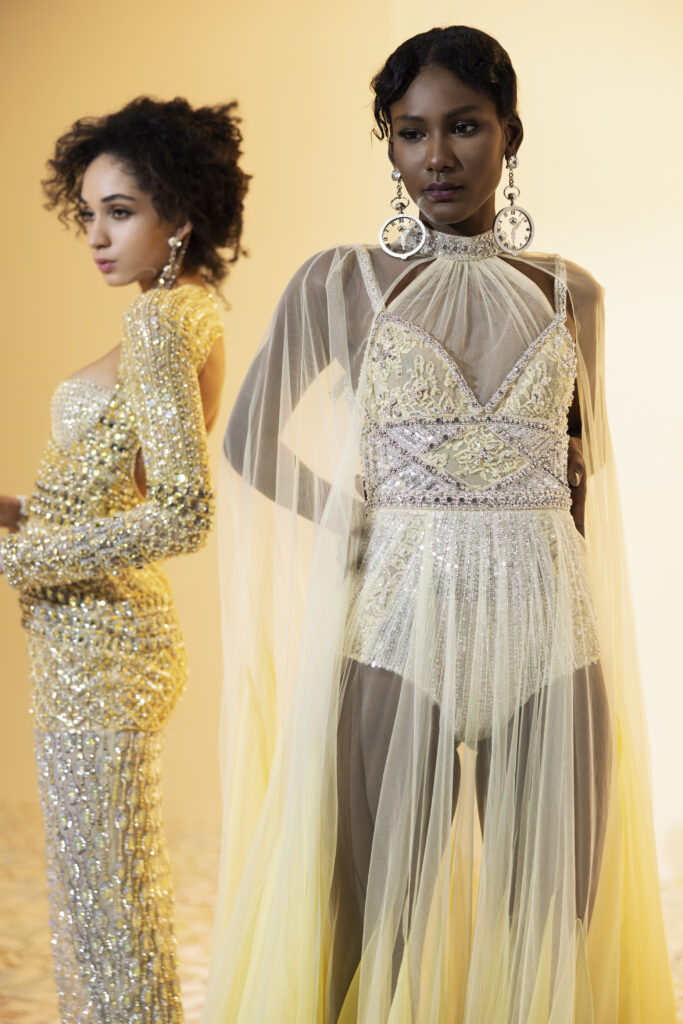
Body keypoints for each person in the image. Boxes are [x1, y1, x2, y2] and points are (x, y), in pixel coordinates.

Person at [202, 26, 675, 1023]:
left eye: (463, 127)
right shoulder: (340, 282)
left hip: (549, 636)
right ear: (388, 144)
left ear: (509, 134)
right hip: (397, 629)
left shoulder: (570, 293)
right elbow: (247, 437)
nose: (436, 156)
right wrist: (348, 521)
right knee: (365, 934)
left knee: (552, 938)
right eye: (409, 132)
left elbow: (579, 476)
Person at [0, 96, 248, 1023]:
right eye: (89, 213)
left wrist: (23, 559)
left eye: (121, 212)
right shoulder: (187, 312)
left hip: (104, 645)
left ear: (178, 214)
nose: (97, 237)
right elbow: (128, 487)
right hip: (91, 637)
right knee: (106, 896)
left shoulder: (160, 324)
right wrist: (26, 515)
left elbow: (183, 513)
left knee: (107, 904)